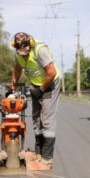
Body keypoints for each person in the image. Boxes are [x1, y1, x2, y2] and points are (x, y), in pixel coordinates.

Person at [11, 32, 60, 168]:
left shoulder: (40, 50)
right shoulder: (19, 54)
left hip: (50, 84)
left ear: (29, 45)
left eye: (25, 50)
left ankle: (48, 157)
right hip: (35, 84)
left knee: (47, 119)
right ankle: (38, 152)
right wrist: (13, 88)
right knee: (36, 118)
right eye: (20, 50)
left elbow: (51, 72)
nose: (23, 53)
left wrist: (42, 89)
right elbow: (17, 70)